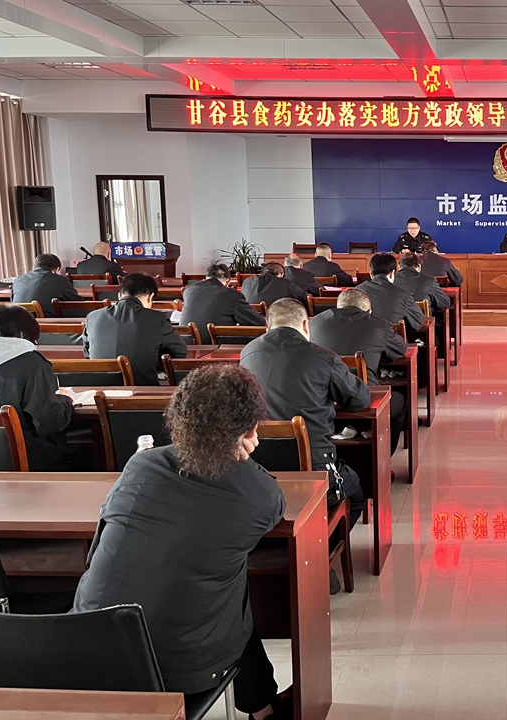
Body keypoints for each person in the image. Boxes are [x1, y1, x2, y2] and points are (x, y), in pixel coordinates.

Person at [72, 365, 293, 720]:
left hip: (83, 647)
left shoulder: (140, 465)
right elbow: (265, 502)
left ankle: (263, 706)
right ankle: (264, 710)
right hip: (179, 671)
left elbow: (97, 548)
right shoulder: (261, 495)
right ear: (251, 430)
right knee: (228, 590)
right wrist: (245, 459)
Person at [240, 299, 370, 527]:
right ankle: (324, 547)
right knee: (355, 492)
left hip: (258, 466)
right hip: (314, 466)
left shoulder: (248, 352)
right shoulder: (323, 357)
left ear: (267, 326)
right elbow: (359, 400)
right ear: (305, 324)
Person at [310, 289, 407, 456]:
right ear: (368, 311)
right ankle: (384, 457)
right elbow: (400, 349)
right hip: (364, 398)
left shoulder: (315, 322)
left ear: (338, 306)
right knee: (400, 399)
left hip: (324, 398)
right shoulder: (379, 325)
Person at [0, 305, 73, 471]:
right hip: (23, 459)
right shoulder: (31, 363)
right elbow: (48, 423)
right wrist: (66, 399)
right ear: (22, 336)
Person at [82, 273, 188, 386]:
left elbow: (88, 353)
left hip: (100, 388)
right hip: (142, 389)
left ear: (120, 295)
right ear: (150, 297)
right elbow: (180, 351)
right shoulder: (157, 319)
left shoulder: (93, 317)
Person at [180, 263, 266, 344]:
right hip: (216, 343)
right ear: (228, 282)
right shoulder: (232, 295)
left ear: (206, 278)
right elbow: (257, 322)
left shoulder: (189, 290)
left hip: (186, 341)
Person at [357, 253, 426, 330]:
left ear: (371, 274)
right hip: (391, 336)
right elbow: (419, 321)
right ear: (392, 273)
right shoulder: (403, 295)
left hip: (360, 336)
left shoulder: (356, 292)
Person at [11, 253, 82, 316]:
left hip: (18, 321)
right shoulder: (60, 280)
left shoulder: (18, 280)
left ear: (34, 267)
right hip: (48, 323)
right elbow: (77, 303)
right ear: (57, 270)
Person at [242, 264, 308, 308]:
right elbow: (304, 297)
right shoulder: (284, 282)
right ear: (281, 274)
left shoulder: (247, 282)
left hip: (251, 320)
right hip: (276, 320)